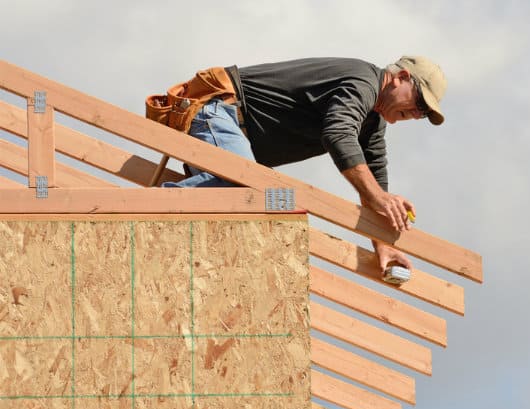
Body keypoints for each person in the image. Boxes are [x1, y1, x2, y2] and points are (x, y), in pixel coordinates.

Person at [162, 56, 447, 273]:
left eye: (424, 114)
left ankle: (158, 220)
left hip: (234, 135)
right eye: (419, 102)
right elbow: (338, 133)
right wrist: (379, 197)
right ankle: (145, 211)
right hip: (218, 109)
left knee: (273, 202)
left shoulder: (372, 124)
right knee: (249, 188)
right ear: (401, 77)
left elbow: (374, 181)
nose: (416, 114)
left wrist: (381, 243)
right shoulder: (364, 82)